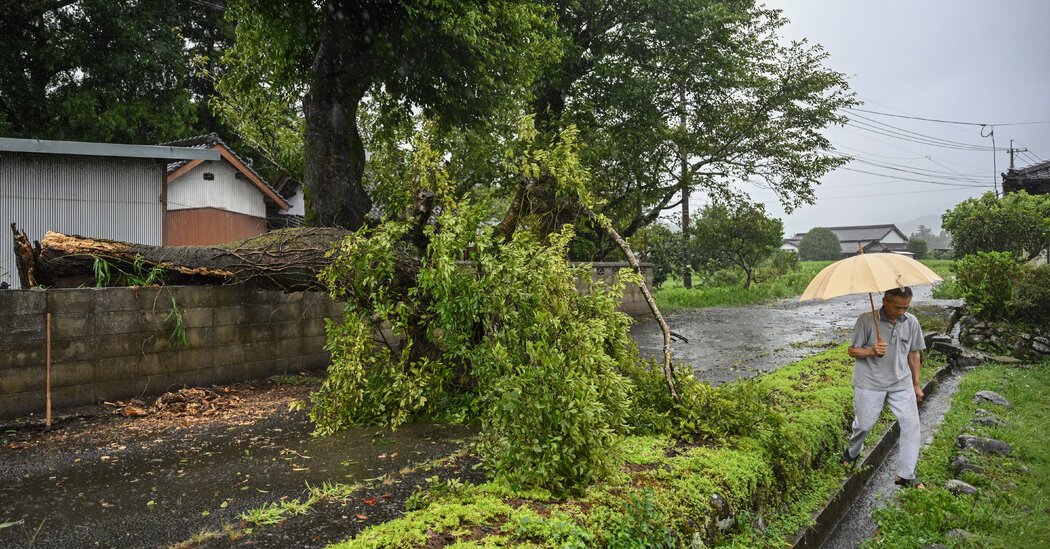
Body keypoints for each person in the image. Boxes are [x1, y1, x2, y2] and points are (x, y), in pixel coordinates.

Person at [841, 286, 926, 489]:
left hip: (901, 382)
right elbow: (852, 351)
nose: (901, 312)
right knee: (864, 424)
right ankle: (852, 452)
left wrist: (916, 384)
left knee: (912, 425)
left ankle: (905, 474)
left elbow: (914, 354)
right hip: (870, 382)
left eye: (906, 307)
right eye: (897, 307)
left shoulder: (911, 322)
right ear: (885, 300)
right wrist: (871, 350)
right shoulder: (866, 320)